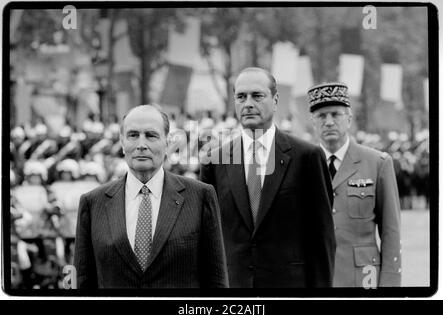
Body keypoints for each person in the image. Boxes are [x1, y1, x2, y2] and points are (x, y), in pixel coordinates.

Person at [200, 67, 336, 288]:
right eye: (241, 97)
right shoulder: (215, 161)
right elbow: (207, 239)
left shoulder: (306, 156)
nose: (248, 103)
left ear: (275, 100)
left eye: (257, 95)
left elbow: (322, 238)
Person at [74, 104, 228, 289]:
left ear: (168, 143)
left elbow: (217, 282)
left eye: (151, 135)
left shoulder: (200, 196)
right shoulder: (93, 203)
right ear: (122, 143)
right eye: (133, 135)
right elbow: (82, 283)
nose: (141, 145)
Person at [308, 82, 402, 287]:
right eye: (321, 116)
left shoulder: (377, 163)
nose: (329, 122)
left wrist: (390, 285)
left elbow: (391, 232)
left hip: (363, 278)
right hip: (316, 278)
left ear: (349, 119)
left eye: (336, 114)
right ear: (313, 122)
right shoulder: (302, 165)